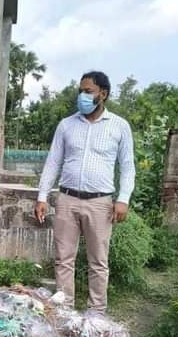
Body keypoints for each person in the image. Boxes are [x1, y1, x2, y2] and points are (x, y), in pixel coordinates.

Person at [34, 71, 135, 314]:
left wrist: (123, 199)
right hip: (67, 198)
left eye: (88, 91)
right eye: (81, 91)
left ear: (103, 94)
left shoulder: (119, 127)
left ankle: (96, 312)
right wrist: (42, 196)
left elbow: (128, 167)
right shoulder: (66, 125)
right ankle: (64, 308)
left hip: (100, 202)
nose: (82, 96)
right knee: (63, 258)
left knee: (98, 261)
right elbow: (53, 162)